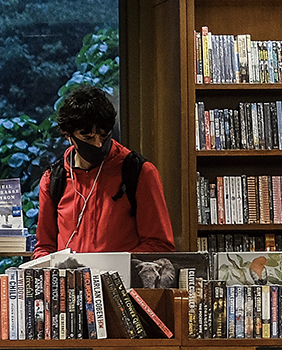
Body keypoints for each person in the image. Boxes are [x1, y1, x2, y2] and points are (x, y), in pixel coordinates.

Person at [32, 85, 175, 257]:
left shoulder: (139, 172)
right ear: (67, 134)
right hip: (68, 274)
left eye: (104, 134)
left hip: (123, 274)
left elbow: (159, 245)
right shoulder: (53, 179)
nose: (98, 144)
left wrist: (116, 265)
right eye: (87, 137)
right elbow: (44, 248)